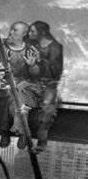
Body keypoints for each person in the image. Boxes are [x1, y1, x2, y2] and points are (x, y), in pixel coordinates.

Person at [9, 21, 63, 151]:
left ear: (42, 32)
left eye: (33, 31)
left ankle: (41, 141)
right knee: (19, 97)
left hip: (48, 86)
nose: (30, 33)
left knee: (47, 110)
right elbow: (33, 71)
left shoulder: (55, 47)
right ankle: (21, 132)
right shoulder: (32, 44)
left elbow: (55, 73)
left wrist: (39, 61)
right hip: (33, 84)